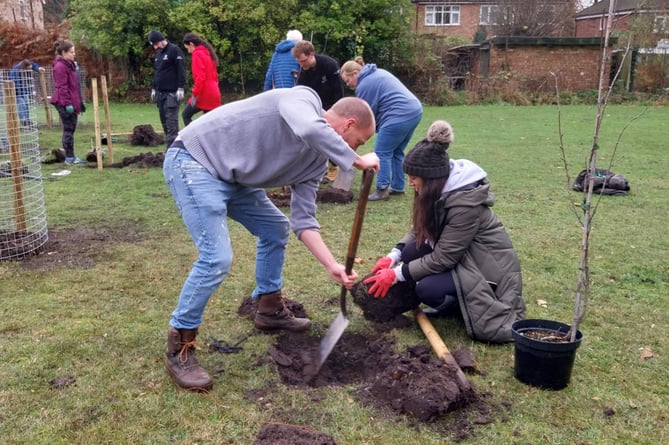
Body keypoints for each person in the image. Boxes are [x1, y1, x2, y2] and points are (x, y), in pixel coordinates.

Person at [162, 86, 379, 391]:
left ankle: (269, 308)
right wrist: (356, 160)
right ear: (348, 125)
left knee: (275, 227)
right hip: (194, 160)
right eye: (359, 141)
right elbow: (307, 126)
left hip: (234, 179)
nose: (357, 147)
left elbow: (303, 221)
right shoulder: (304, 98)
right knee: (216, 257)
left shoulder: (315, 163)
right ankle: (180, 345)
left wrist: (332, 266)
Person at [363, 120, 525, 343]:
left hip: (488, 273)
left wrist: (396, 274)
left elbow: (445, 257)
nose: (410, 183)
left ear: (431, 179)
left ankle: (460, 307)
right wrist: (394, 255)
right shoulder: (437, 193)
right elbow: (419, 230)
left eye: (413, 177)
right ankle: (454, 300)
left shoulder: (465, 204)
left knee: (428, 290)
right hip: (464, 259)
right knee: (411, 251)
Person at [341, 57, 423, 201]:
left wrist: (355, 137)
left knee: (382, 151)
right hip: (414, 110)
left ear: (355, 73)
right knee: (396, 151)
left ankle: (382, 188)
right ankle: (398, 186)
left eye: (348, 81)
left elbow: (366, 113)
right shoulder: (376, 73)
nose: (349, 85)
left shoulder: (365, 84)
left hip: (399, 114)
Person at [292, 40, 345, 184]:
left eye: (303, 61)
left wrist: (336, 113)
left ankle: (334, 169)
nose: (301, 65)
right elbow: (299, 92)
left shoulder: (329, 65)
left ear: (311, 54)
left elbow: (338, 91)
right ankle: (318, 169)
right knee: (315, 139)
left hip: (332, 107)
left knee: (332, 138)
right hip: (315, 109)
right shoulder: (304, 71)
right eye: (299, 62)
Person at [148, 30, 186, 148]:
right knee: (164, 122)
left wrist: (180, 87)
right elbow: (157, 73)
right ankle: (170, 148)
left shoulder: (174, 50)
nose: (155, 47)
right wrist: (154, 88)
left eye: (155, 44)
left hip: (171, 94)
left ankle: (173, 150)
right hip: (160, 94)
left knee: (171, 124)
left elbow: (181, 70)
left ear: (160, 40)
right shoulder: (159, 54)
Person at [50, 40, 86, 165]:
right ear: (64, 52)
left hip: (72, 100)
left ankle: (71, 156)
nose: (73, 54)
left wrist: (80, 102)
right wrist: (67, 104)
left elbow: (75, 86)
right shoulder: (60, 67)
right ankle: (70, 157)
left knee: (72, 128)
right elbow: (62, 87)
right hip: (63, 102)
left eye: (74, 52)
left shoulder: (71, 65)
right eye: (71, 52)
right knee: (68, 129)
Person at [181, 32, 221, 126]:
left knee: (185, 115)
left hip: (204, 93)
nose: (188, 52)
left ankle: (193, 138)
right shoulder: (208, 53)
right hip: (214, 92)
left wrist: (194, 94)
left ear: (191, 44)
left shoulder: (197, 54)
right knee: (210, 123)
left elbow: (200, 78)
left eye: (187, 48)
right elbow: (214, 76)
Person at [9, 59, 45, 128]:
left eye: (30, 68)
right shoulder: (15, 72)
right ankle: (23, 122)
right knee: (21, 105)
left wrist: (38, 68)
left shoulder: (26, 64)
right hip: (17, 92)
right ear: (24, 67)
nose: (29, 70)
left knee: (26, 105)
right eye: (28, 68)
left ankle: (27, 120)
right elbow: (14, 84)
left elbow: (33, 65)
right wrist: (28, 91)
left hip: (24, 91)